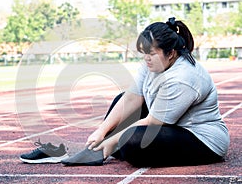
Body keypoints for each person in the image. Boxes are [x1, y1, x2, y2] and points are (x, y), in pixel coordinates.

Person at [20, 17, 230, 167]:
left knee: (133, 141)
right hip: (170, 127)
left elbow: (153, 123)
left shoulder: (183, 77)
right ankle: (82, 151)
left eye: (151, 53)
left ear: (171, 53)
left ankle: (99, 151)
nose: (146, 58)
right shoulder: (151, 64)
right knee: (122, 100)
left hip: (201, 139)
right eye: (143, 53)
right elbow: (131, 98)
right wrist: (102, 131)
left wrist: (111, 142)